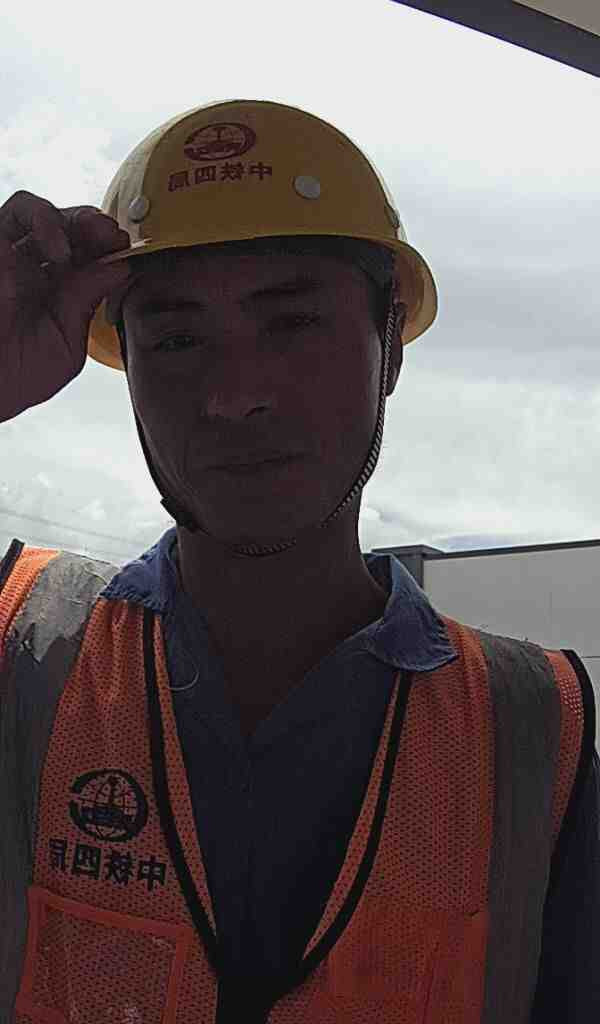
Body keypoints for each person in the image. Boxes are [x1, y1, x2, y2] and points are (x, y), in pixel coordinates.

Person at [0, 99, 598, 1023]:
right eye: (177, 339)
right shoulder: (23, 647)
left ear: (389, 346)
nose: (235, 394)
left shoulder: (535, 735)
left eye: (292, 324)